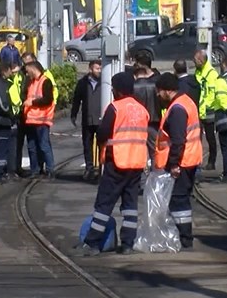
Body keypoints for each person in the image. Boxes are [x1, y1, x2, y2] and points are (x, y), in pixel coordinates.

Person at [76, 73, 149, 256]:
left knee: (104, 204)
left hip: (116, 162)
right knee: (130, 206)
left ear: (117, 89)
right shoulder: (142, 110)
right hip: (136, 163)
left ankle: (92, 243)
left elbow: (102, 134)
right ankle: (127, 244)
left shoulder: (115, 108)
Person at [154, 72, 203, 248]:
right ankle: (184, 236)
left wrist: (174, 163)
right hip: (190, 158)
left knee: (178, 199)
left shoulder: (177, 109)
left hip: (182, 162)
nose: (158, 95)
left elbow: (178, 139)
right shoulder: (186, 102)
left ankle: (184, 238)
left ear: (167, 91)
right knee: (181, 199)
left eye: (159, 91)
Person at [23, 61, 56, 179]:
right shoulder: (31, 82)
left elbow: (48, 99)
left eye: (27, 71)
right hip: (31, 120)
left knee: (43, 145)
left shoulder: (45, 81)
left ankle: (50, 170)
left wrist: (32, 102)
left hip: (42, 120)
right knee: (32, 146)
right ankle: (35, 170)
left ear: (33, 69)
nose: (27, 73)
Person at [70, 60, 102, 180]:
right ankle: (89, 168)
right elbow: (77, 99)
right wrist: (73, 114)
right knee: (87, 144)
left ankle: (101, 168)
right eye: (97, 68)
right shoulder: (82, 83)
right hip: (87, 119)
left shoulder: (105, 82)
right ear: (90, 69)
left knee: (101, 144)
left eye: (100, 68)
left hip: (100, 119)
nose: (99, 71)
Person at [193, 49, 220, 170]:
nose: (194, 62)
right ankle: (196, 161)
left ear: (201, 60)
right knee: (196, 138)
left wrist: (209, 106)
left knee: (210, 138)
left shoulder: (212, 74)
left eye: (196, 60)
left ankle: (212, 161)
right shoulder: (198, 72)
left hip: (209, 110)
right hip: (198, 109)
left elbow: (212, 93)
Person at [132, 51, 161, 156]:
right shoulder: (157, 80)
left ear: (140, 65)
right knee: (154, 151)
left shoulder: (134, 85)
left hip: (139, 122)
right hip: (155, 120)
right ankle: (156, 171)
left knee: (139, 151)